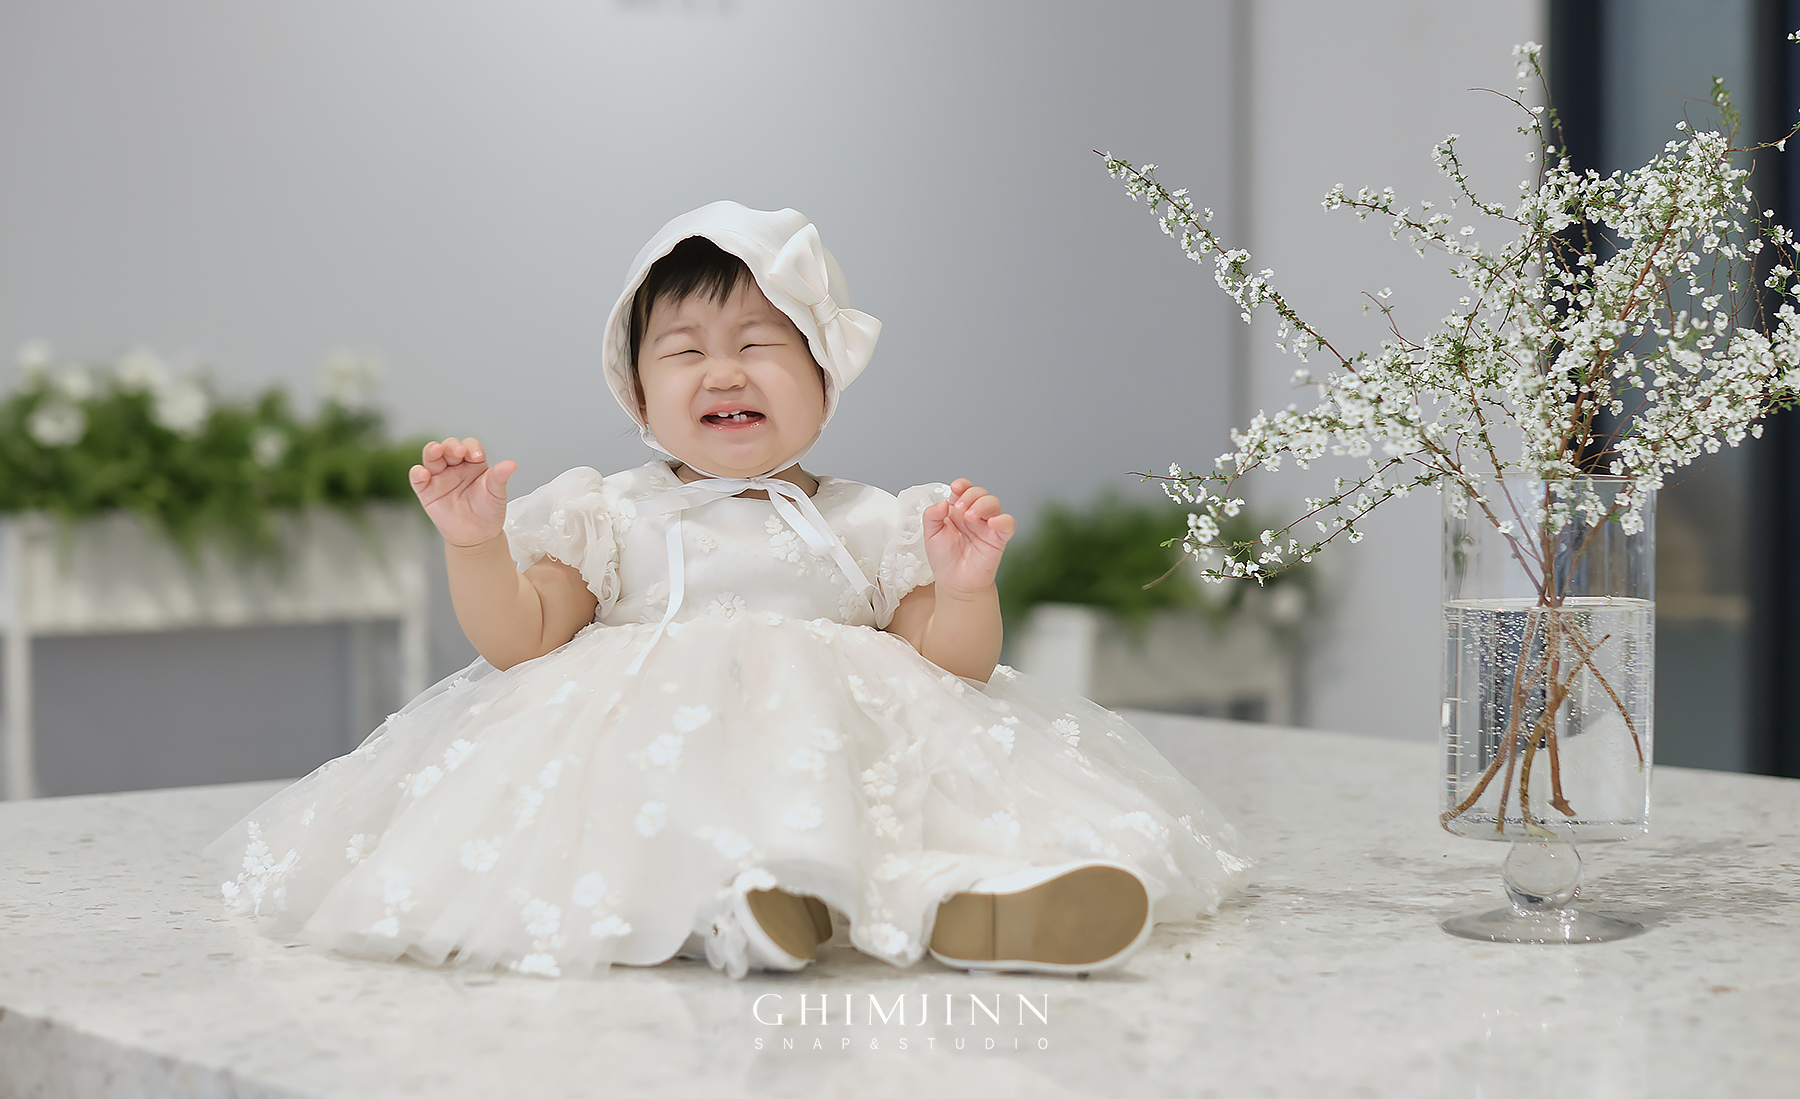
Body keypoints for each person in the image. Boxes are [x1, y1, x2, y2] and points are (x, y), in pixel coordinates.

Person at [203, 201, 1251, 980]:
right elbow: (521, 640)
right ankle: (751, 904)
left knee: (919, 814)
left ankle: (970, 901)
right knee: (667, 826)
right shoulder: (608, 514)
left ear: (825, 380)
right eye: (685, 352)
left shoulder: (872, 520)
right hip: (653, 757)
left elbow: (954, 671)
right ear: (638, 392)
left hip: (848, 752)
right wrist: (477, 546)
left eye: (761, 346)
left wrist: (965, 588)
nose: (725, 372)